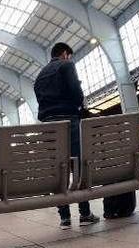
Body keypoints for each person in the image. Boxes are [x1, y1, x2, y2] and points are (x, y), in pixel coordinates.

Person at [34, 42, 100, 229]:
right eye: (69, 56)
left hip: (48, 126)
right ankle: (85, 214)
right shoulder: (66, 65)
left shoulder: (39, 76)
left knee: (58, 170)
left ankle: (64, 218)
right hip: (68, 121)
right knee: (76, 166)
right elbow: (76, 93)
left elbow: (40, 101)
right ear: (65, 54)